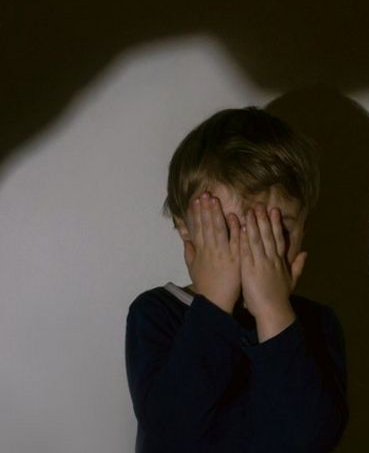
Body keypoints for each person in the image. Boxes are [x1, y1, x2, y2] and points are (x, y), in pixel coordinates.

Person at [125, 106, 348, 452]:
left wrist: (272, 312)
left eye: (276, 231)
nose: (252, 248)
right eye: (229, 230)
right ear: (186, 229)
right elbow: (169, 433)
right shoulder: (156, 314)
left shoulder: (317, 323)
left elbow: (313, 439)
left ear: (304, 228)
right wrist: (214, 305)